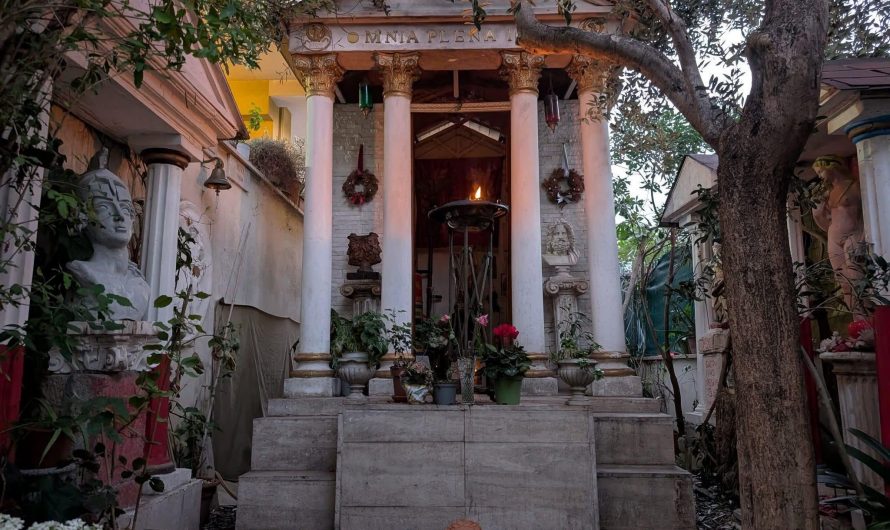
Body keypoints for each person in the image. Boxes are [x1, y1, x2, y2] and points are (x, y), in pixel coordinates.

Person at [67, 149, 149, 320]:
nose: (119, 215)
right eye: (104, 207)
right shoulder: (83, 273)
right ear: (83, 217)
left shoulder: (138, 283)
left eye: (126, 208)